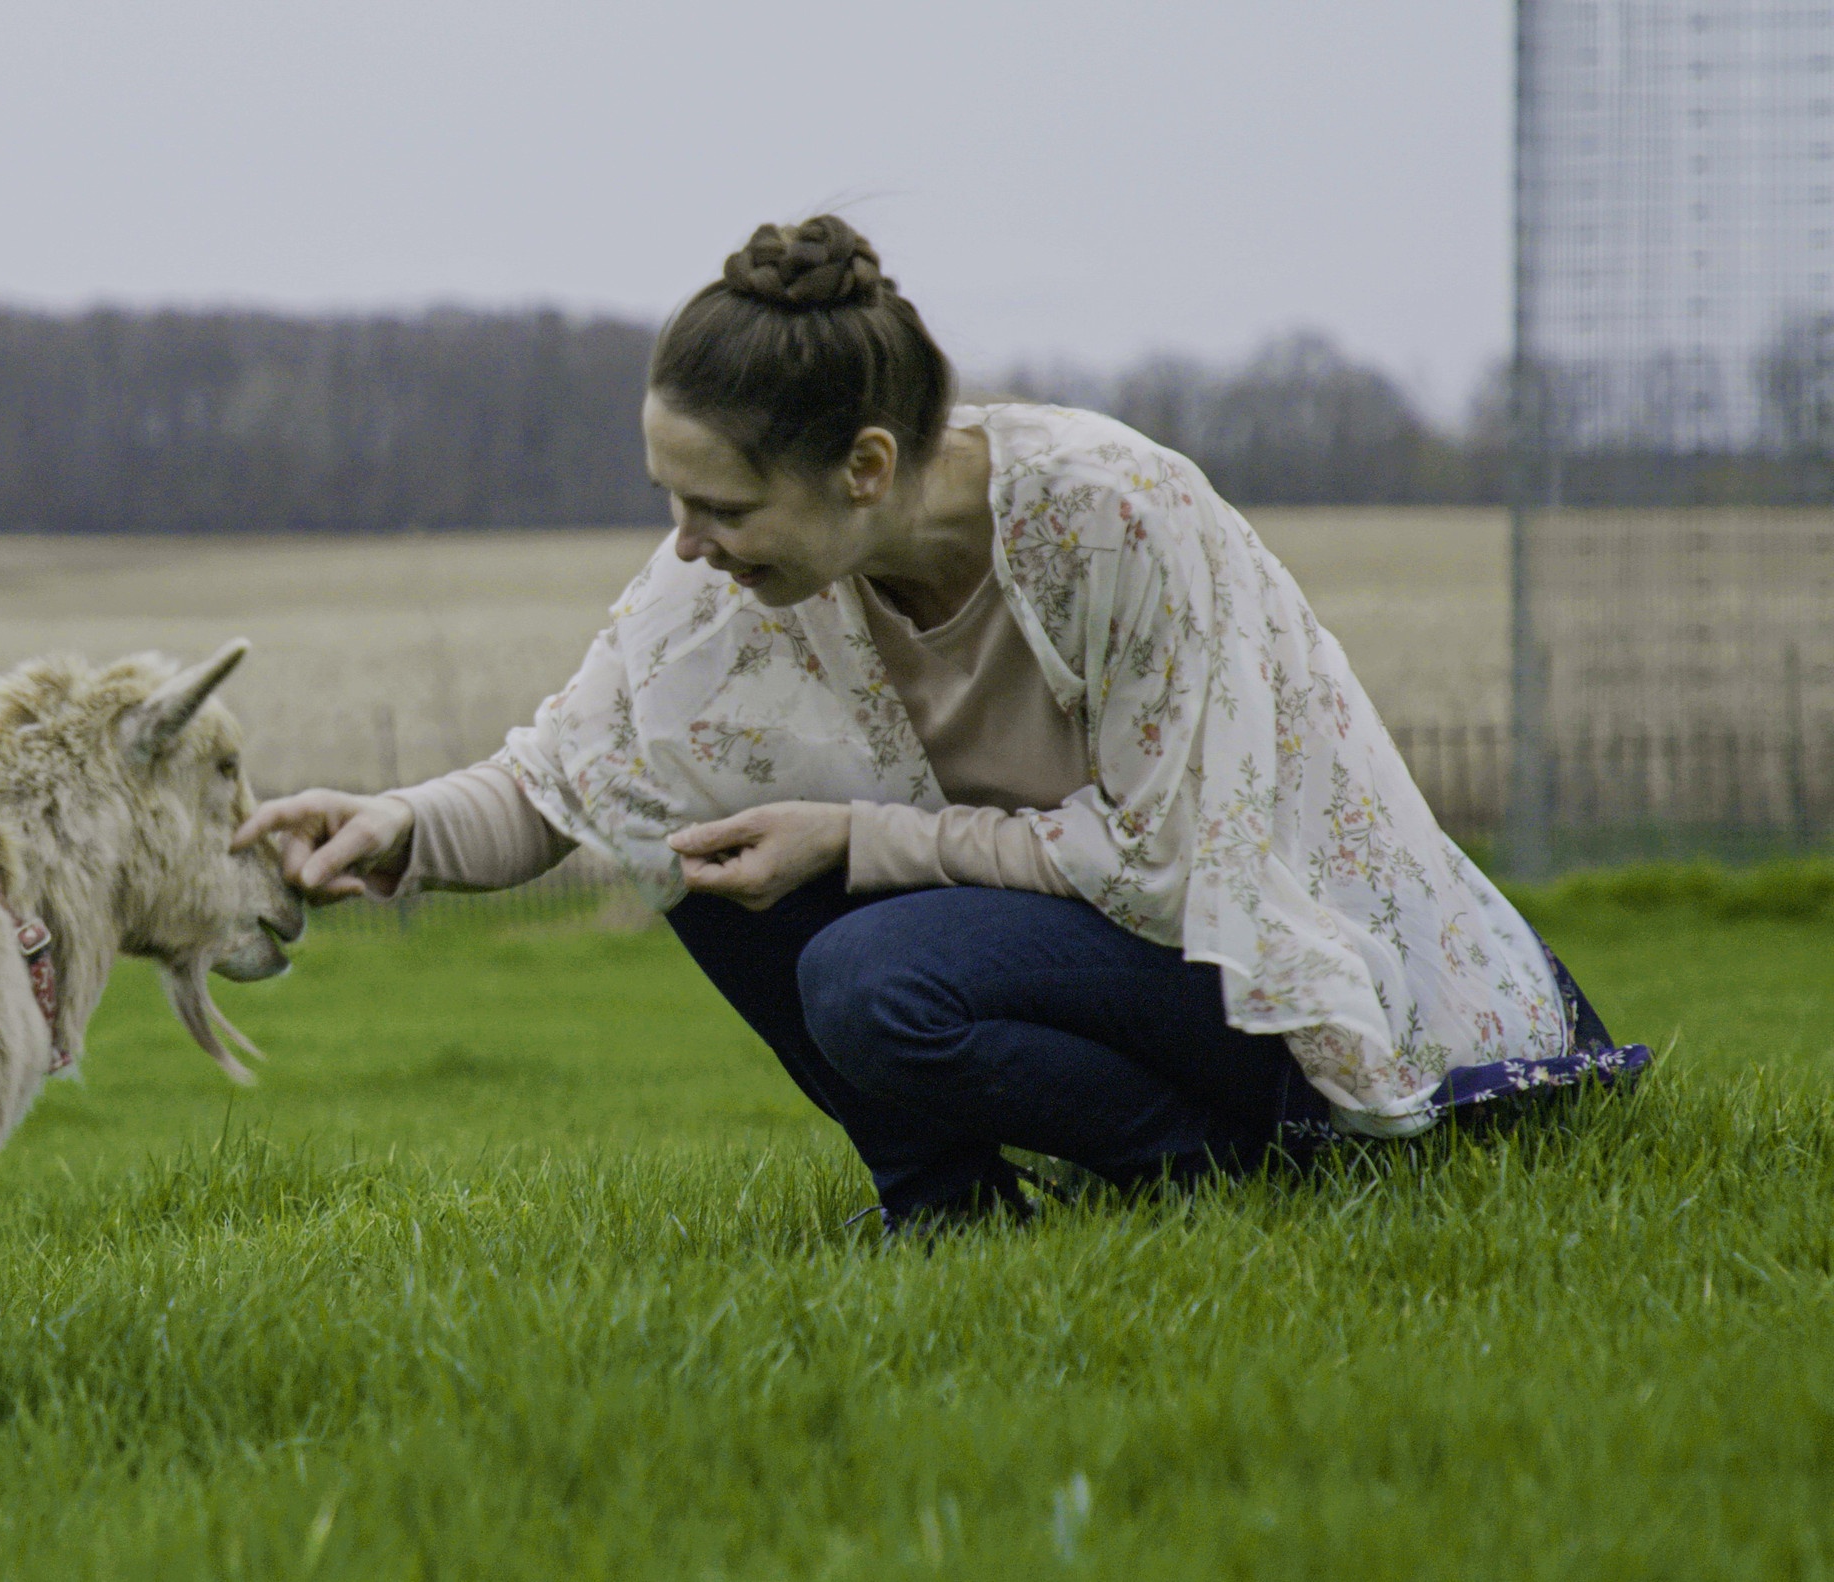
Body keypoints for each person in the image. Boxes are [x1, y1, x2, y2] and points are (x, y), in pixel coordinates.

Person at [236, 215, 1648, 1233]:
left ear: (864, 467)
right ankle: (952, 1214)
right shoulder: (739, 579)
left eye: (722, 507)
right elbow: (571, 773)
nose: (688, 545)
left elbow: (1169, 865)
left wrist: (859, 839)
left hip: (1256, 963)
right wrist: (398, 826)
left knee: (871, 977)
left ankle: (1231, 1171)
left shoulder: (1117, 516)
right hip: (1100, 940)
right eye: (674, 500)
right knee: (694, 849)